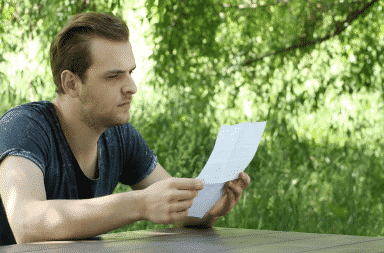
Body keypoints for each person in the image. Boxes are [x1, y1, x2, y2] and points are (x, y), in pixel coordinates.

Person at [0, 12, 250, 246]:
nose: (131, 87)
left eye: (130, 73)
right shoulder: (24, 127)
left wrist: (209, 209)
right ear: (71, 83)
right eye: (113, 76)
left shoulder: (119, 136)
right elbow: (26, 223)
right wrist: (139, 205)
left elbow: (175, 209)